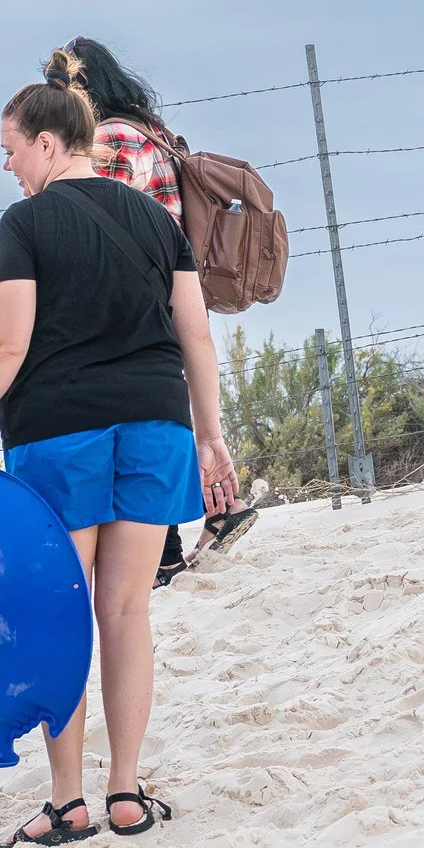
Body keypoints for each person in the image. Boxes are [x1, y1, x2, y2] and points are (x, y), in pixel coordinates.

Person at [0, 79, 239, 848]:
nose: (7, 167)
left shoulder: (25, 223)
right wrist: (210, 435)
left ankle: (69, 803)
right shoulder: (156, 220)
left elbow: (7, 345)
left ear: (48, 143)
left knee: (63, 615)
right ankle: (125, 792)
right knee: (127, 613)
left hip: (61, 430)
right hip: (157, 424)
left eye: (10, 150)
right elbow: (195, 334)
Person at [44, 40, 260, 576]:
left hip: (137, 298)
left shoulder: (110, 138)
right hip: (171, 288)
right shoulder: (149, 130)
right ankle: (219, 510)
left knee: (138, 421)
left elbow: (93, 211)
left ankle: (167, 550)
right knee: (161, 416)